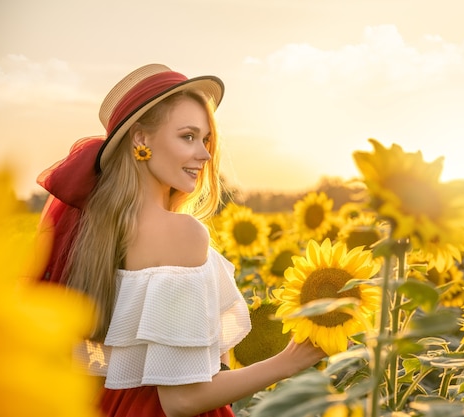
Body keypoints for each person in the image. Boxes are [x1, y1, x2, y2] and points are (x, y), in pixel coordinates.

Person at [36, 64, 326, 417]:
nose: (204, 155)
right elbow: (182, 400)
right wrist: (291, 361)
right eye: (188, 136)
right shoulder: (181, 233)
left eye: (205, 140)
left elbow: (96, 360)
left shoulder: (96, 231)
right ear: (141, 139)